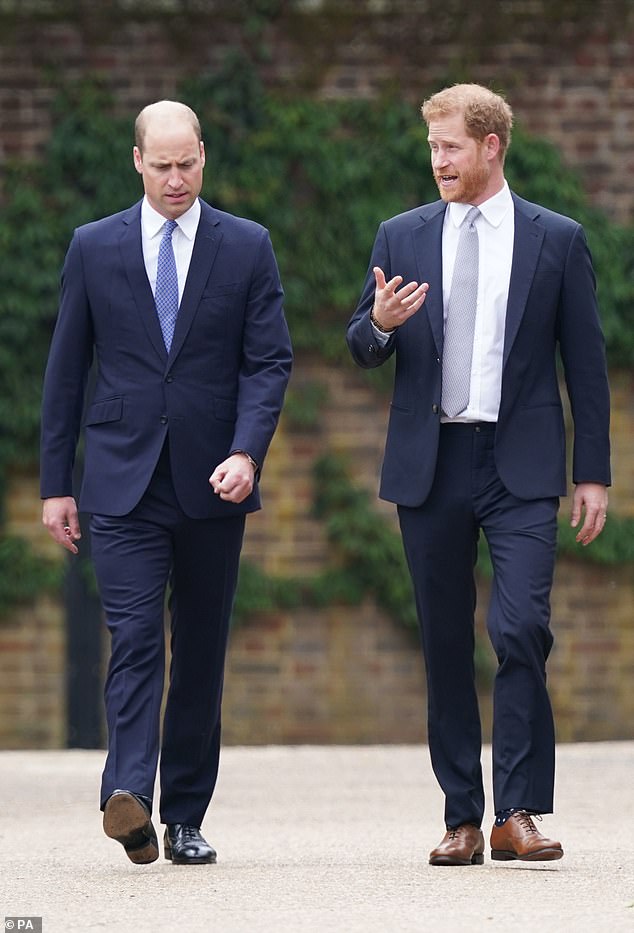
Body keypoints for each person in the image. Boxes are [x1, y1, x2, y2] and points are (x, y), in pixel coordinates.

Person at [346, 84, 610, 866]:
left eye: (451, 147)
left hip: (521, 462)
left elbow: (587, 369)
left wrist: (591, 473)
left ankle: (517, 810)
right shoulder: (402, 233)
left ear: (491, 146)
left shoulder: (555, 239)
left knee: (521, 626)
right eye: (432, 148)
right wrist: (382, 326)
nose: (438, 161)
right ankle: (463, 814)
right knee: (442, 641)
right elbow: (361, 341)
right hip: (431, 463)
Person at [41, 100, 292, 865]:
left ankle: (185, 814)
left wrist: (248, 451)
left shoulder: (246, 246)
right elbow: (64, 372)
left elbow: (269, 361)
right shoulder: (93, 247)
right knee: (138, 636)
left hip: (214, 482)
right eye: (162, 165)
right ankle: (130, 797)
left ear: (204, 158)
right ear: (137, 161)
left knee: (202, 649)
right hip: (119, 482)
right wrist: (57, 483)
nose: (176, 179)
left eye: (188, 164)